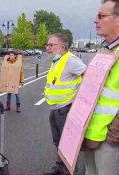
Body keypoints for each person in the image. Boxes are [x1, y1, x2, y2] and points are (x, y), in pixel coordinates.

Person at [83, 0, 119, 174]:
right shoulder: (104, 50)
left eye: (102, 16)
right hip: (91, 133)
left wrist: (113, 138)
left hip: (109, 141)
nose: (95, 20)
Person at [43, 33, 87, 175]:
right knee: (59, 142)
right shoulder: (57, 60)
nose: (48, 48)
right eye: (47, 44)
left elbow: (89, 78)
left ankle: (68, 171)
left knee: (67, 144)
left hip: (66, 108)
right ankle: (60, 169)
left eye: (51, 45)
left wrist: (79, 99)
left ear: (62, 46)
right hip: (55, 107)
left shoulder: (71, 60)